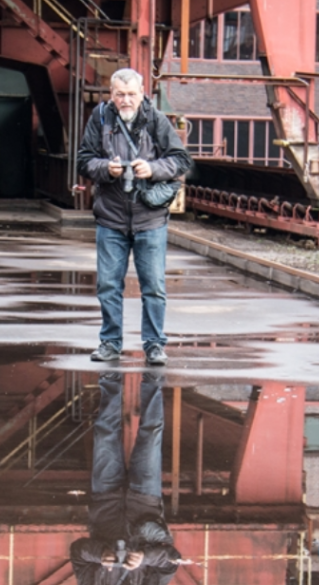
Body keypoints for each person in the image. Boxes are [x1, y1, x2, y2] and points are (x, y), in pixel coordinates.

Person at [76, 68, 192, 367]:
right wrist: (107, 169)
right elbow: (84, 160)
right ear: (111, 95)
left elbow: (181, 160)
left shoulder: (156, 120)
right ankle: (110, 343)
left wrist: (152, 169)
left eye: (131, 94)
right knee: (108, 285)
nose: (125, 100)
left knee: (153, 286)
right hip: (111, 217)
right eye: (119, 95)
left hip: (149, 218)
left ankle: (154, 345)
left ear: (142, 94)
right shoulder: (100, 118)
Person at [71, 373, 180, 585]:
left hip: (105, 500)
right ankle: (152, 379)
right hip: (144, 503)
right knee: (151, 434)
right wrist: (144, 558)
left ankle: (110, 378)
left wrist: (100, 555)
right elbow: (171, 562)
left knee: (105, 432)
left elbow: (77, 553)